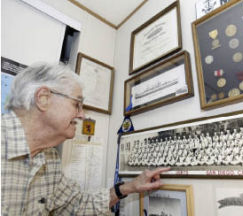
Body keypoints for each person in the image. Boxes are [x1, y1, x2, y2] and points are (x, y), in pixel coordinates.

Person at [1, 63, 170, 215]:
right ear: (43, 98)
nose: (82, 115)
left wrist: (130, 187)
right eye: (77, 104)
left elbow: (78, 205)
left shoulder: (50, 159)